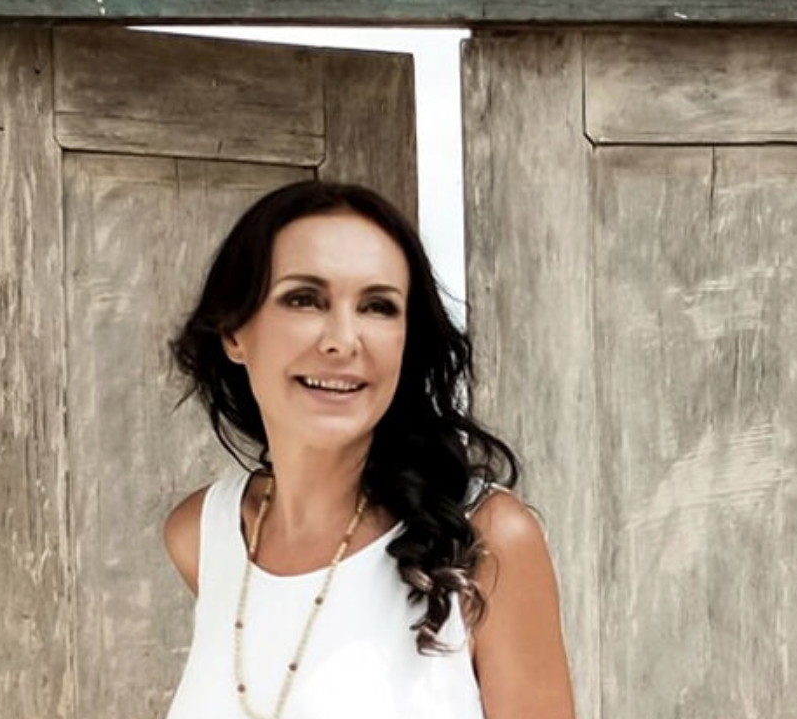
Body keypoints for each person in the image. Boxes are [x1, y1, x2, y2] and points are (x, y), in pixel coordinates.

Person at [163, 180, 574, 719]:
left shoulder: (485, 541)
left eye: (378, 307)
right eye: (304, 299)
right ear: (234, 332)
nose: (342, 340)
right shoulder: (203, 535)